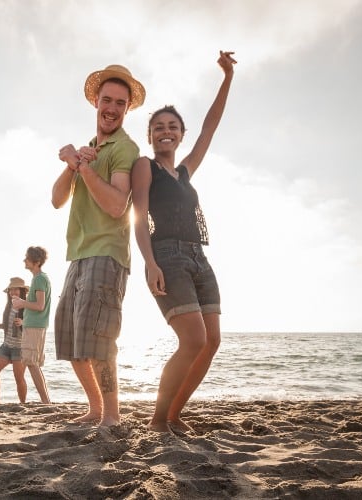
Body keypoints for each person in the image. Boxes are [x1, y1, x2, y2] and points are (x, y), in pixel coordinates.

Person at [131, 50, 237, 433]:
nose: (166, 130)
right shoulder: (146, 166)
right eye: (159, 125)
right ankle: (159, 420)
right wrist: (150, 263)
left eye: (173, 125)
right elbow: (138, 216)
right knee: (192, 340)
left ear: (180, 134)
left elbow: (210, 128)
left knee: (211, 342)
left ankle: (175, 414)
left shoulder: (185, 172)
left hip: (199, 258)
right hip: (167, 256)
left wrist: (226, 78)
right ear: (151, 135)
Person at [52, 64, 145, 426]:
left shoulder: (125, 148)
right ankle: (94, 410)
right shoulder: (90, 149)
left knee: (100, 343)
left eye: (120, 103)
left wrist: (84, 168)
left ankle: (111, 417)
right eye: (106, 99)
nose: (112, 107)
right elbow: (57, 199)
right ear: (95, 100)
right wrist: (71, 164)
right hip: (77, 254)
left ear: (127, 109)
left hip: (107, 255)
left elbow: (117, 204)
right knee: (74, 344)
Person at [11, 246, 51, 404]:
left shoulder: (40, 279)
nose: (24, 261)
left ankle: (46, 401)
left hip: (35, 325)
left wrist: (22, 303)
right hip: (36, 325)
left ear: (37, 261)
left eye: (27, 258)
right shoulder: (40, 278)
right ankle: (46, 400)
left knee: (31, 363)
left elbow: (40, 305)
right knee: (34, 364)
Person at [0, 277, 29, 404]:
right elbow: (8, 325)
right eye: (11, 290)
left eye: (16, 289)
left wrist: (23, 322)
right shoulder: (9, 306)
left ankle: (23, 404)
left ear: (22, 291)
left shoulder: (27, 306)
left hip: (20, 348)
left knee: (19, 378)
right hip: (6, 346)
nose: (13, 292)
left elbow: (35, 324)